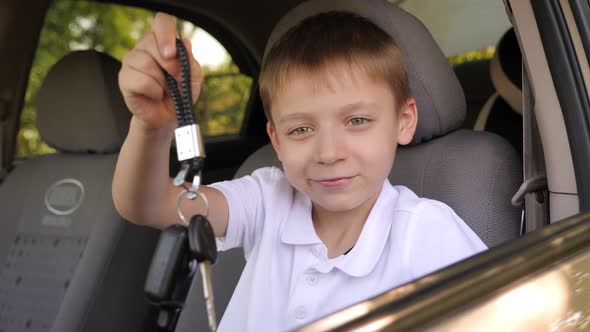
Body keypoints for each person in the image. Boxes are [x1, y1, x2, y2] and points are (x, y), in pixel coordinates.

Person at [113, 10, 487, 331]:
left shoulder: (428, 234)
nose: (328, 153)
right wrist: (152, 128)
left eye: (357, 120)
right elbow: (148, 205)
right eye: (301, 130)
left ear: (404, 121)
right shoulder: (267, 199)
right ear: (276, 140)